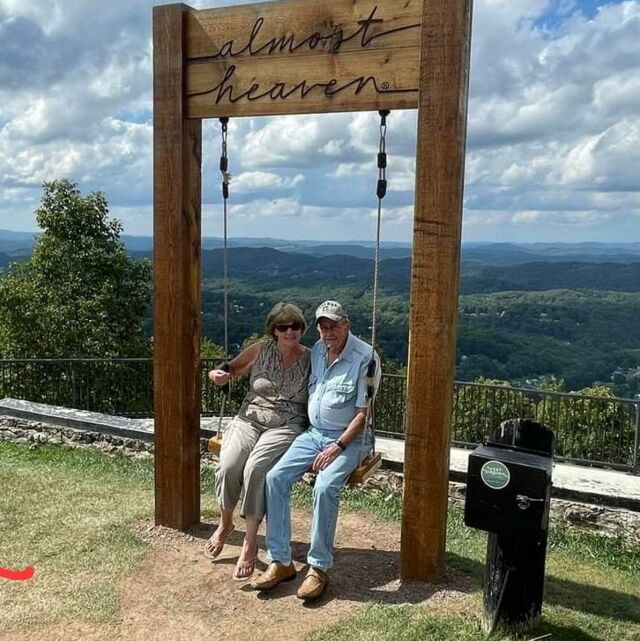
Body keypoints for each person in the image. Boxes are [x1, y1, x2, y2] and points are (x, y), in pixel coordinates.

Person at [251, 300, 380, 600]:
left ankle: (318, 567)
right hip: (314, 434)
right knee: (275, 478)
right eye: (323, 326)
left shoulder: (366, 357)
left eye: (334, 325)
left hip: (350, 439)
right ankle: (281, 561)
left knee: (324, 486)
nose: (328, 332)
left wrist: (337, 446)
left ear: (347, 325)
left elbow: (364, 414)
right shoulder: (319, 350)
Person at [204, 302, 311, 581]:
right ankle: (225, 524)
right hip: (249, 418)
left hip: (286, 424)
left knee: (255, 468)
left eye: (295, 326)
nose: (290, 332)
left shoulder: (311, 358)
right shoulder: (261, 349)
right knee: (228, 465)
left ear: (302, 329)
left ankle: (250, 541)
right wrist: (217, 374)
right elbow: (231, 367)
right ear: (274, 330)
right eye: (283, 327)